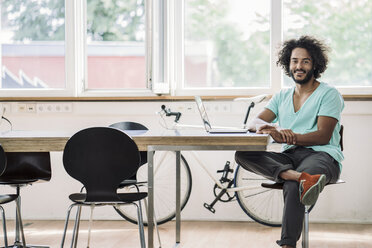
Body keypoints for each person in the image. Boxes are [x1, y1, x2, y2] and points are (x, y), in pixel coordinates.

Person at [235, 36, 344, 248]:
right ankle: (301, 177)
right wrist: (273, 128)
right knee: (242, 154)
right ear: (288, 64)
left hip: (322, 156)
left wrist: (289, 135)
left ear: (315, 65)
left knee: (294, 185)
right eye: (294, 61)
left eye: (305, 61)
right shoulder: (282, 96)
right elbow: (255, 121)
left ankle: (287, 245)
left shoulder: (329, 94)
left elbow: (323, 135)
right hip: (290, 157)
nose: (299, 66)